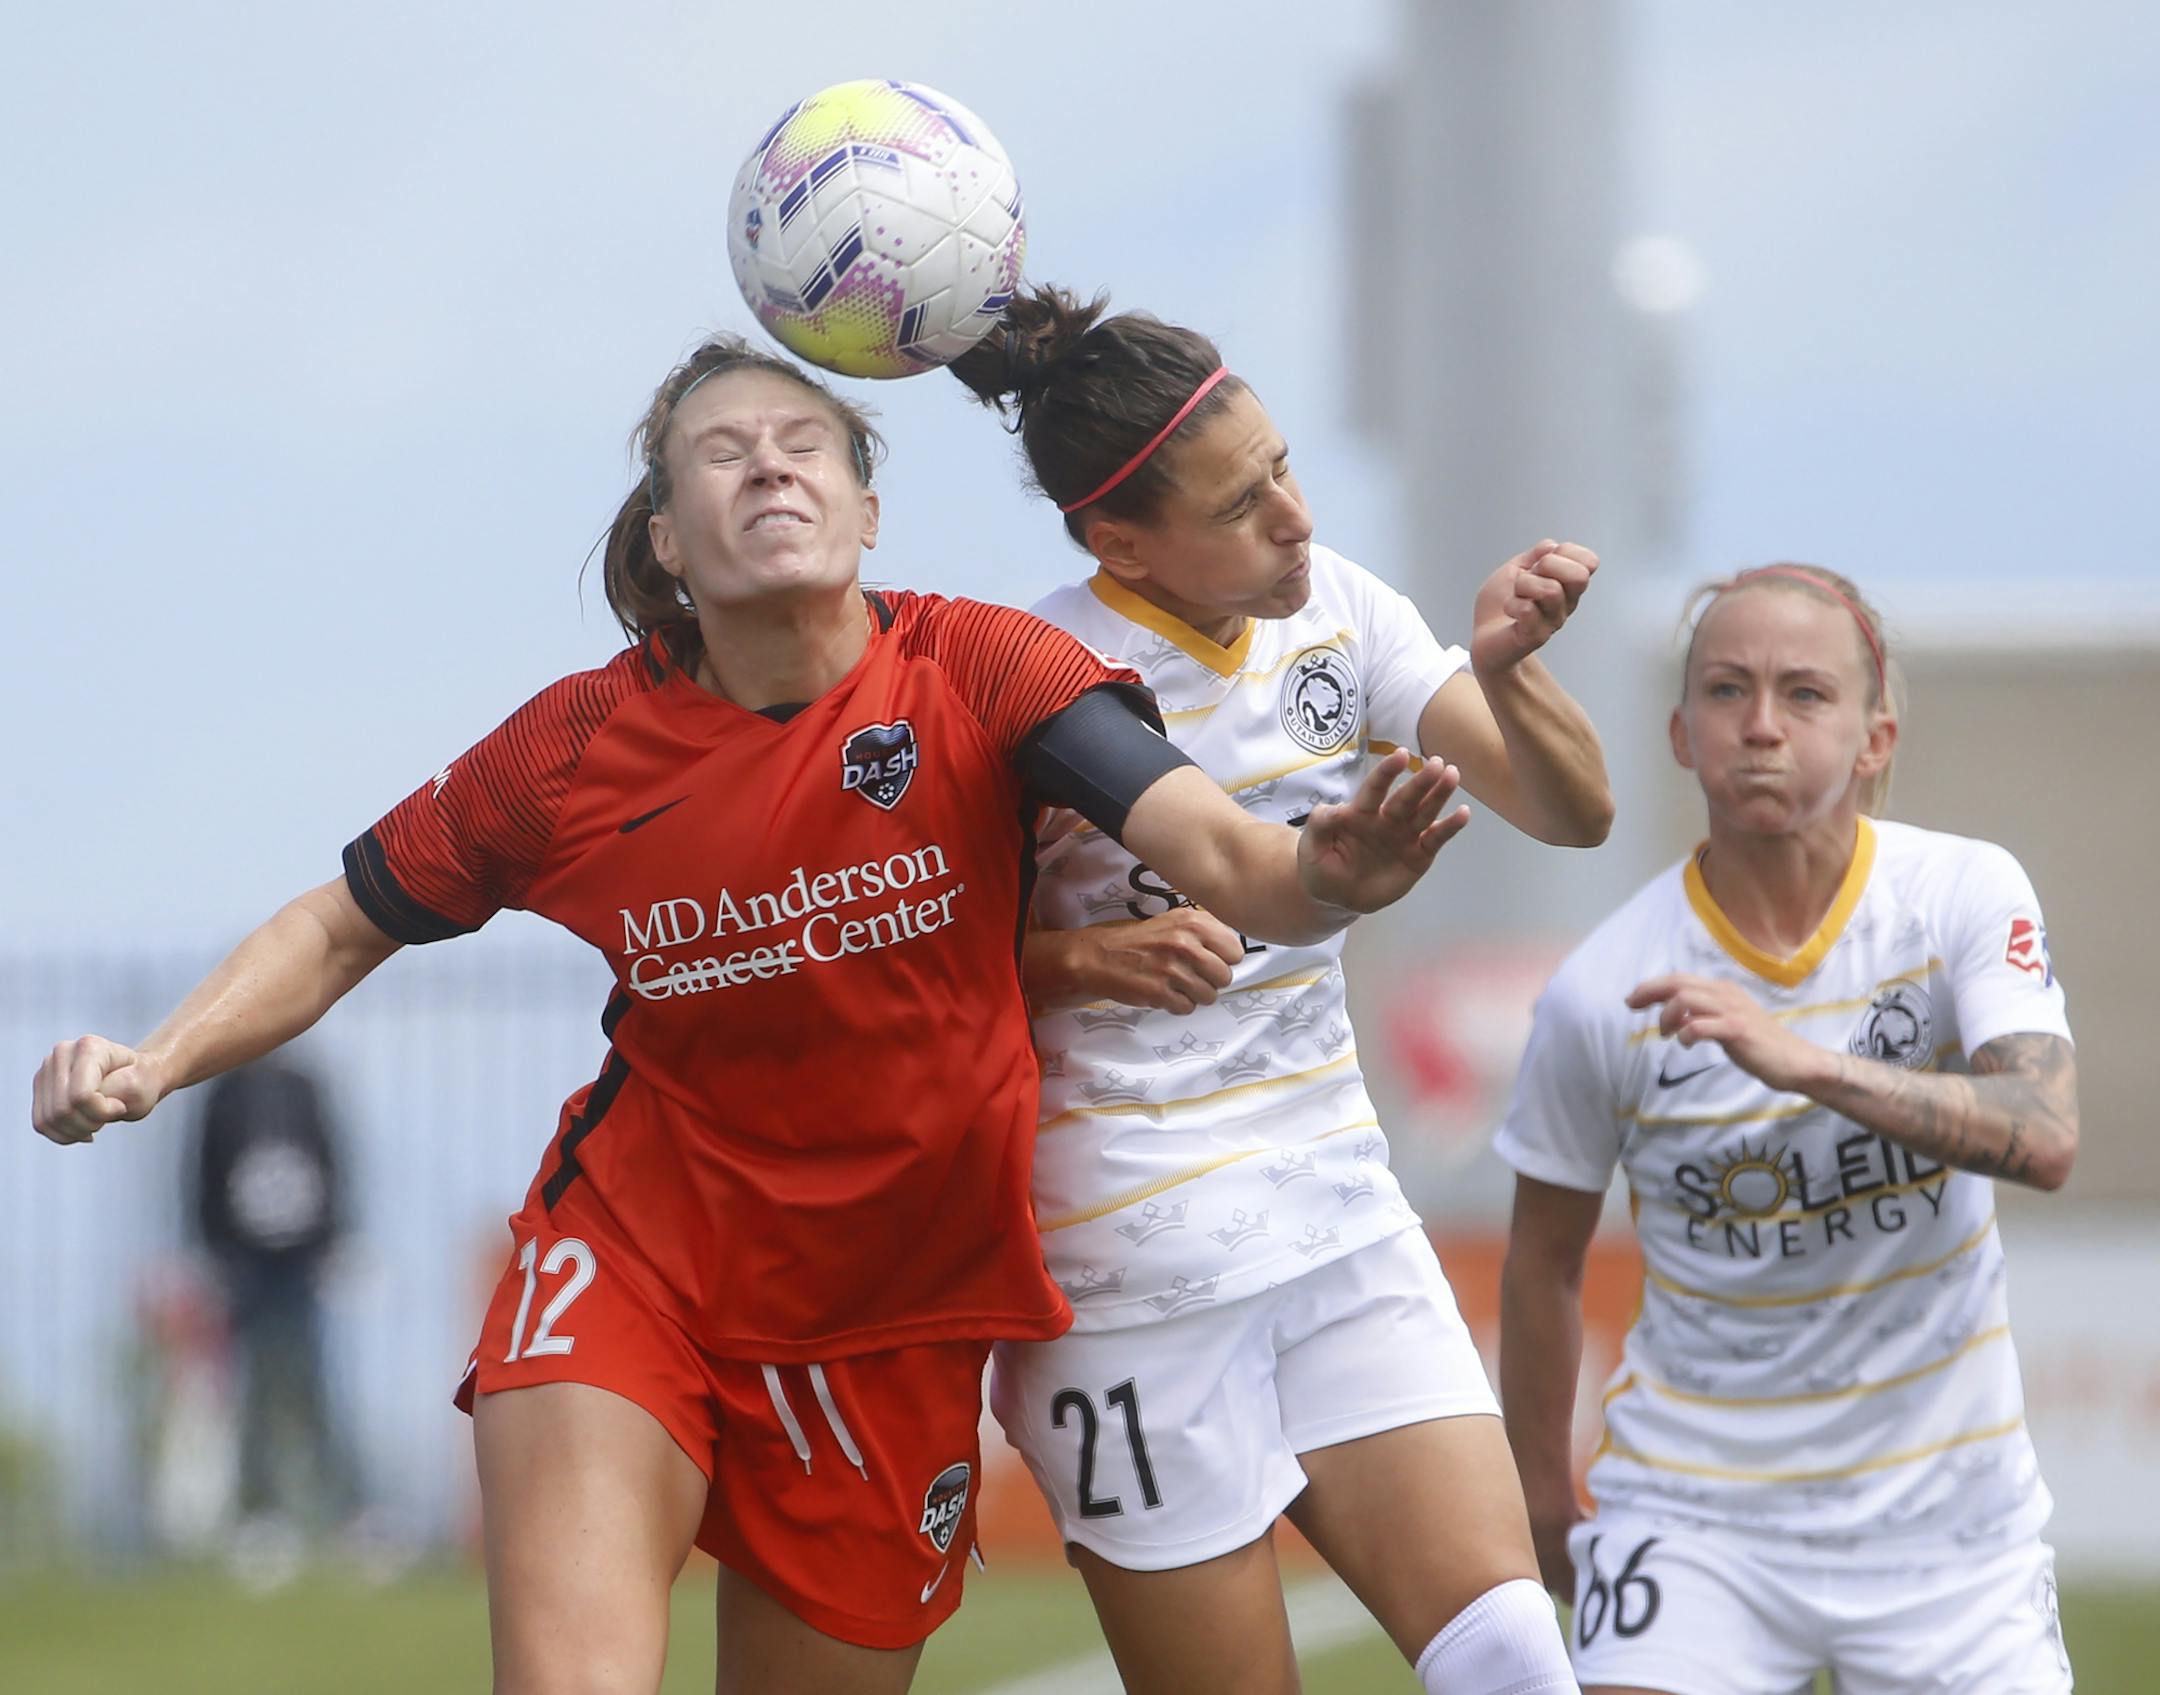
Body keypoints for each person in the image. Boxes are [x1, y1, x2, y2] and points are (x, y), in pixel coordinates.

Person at [31, 334, 1469, 1695]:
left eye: (804, 444)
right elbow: (343, 920)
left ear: (869, 505)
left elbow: (1226, 855)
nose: (769, 467)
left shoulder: (984, 668)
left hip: (891, 1320)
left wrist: (1322, 871)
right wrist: (155, 1060)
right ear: (668, 533)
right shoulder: (575, 748)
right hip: (639, 1262)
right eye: (722, 452)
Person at [946, 288, 1609, 1695]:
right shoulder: (1029, 678)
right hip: (1126, 1285)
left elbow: (1576, 812)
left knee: (1515, 1661)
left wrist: (1507, 672)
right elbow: (911, 973)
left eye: (1286, 467)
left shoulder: (1343, 609)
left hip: (1335, 1220)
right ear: (1118, 540)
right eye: (1243, 503)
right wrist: (1075, 957)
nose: (1295, 518)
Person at [1495, 564, 2078, 1694]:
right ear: (1678, 732)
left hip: (1952, 1533)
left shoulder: (1963, 892)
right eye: (1727, 691)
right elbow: (1543, 1264)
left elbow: (2045, 1133)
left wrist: (1804, 1061)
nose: (1761, 725)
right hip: (1694, 1515)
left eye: (1806, 694)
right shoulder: (1600, 987)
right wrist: (1538, 1499)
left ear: (1874, 737)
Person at [192, 1056, 358, 1548]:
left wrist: (336, 1241)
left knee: (317, 1386)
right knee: (256, 1388)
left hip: (303, 1261)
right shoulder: (223, 1093)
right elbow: (201, 1173)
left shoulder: (306, 1085)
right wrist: (212, 1252)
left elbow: (334, 1162)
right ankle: (259, 1515)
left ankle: (340, 1511)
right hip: (245, 1265)